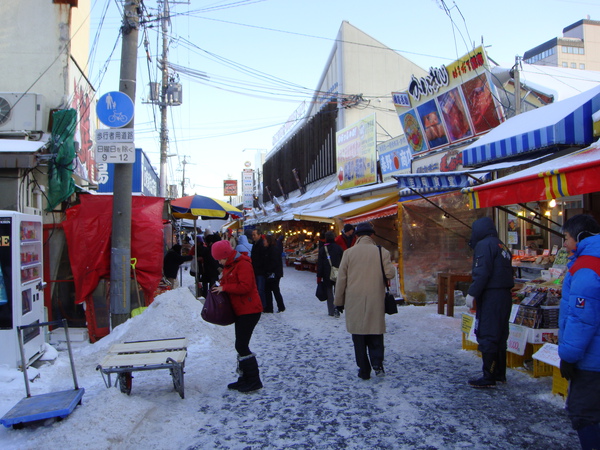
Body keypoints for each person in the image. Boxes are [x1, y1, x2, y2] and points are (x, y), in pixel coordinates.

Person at [558, 214, 600, 449]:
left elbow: (581, 318)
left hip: (592, 360)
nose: (564, 244)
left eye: (566, 238)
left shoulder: (587, 266)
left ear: (580, 236)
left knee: (584, 414)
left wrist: (569, 356)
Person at [334, 222, 395, 380]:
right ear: (372, 235)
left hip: (354, 299)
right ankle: (377, 363)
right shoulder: (382, 252)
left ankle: (363, 369)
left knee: (359, 336)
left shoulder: (348, 253)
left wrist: (338, 301)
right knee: (375, 331)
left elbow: (341, 280)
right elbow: (390, 274)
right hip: (376, 297)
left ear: (356, 236)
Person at [465, 216, 514, 388]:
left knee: (488, 334)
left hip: (491, 296)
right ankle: (500, 373)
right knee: (500, 335)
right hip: (505, 296)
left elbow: (482, 272)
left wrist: (472, 293)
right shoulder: (501, 244)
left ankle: (489, 376)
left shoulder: (484, 245)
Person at [210, 240, 264, 393]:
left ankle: (254, 380)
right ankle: (245, 378)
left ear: (226, 255)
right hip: (240, 310)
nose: (219, 261)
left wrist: (224, 287)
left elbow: (246, 286)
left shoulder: (243, 264)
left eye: (220, 258)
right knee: (240, 345)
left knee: (241, 345)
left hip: (250, 309)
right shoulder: (230, 265)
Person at [317, 231, 343, 317]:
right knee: (338, 291)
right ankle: (338, 308)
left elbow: (320, 264)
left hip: (326, 274)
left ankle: (331, 310)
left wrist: (319, 276)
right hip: (338, 273)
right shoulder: (339, 248)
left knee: (329, 292)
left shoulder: (322, 250)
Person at [264, 234, 286, 313]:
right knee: (272, 290)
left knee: (274, 290)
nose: (264, 242)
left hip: (274, 273)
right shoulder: (270, 248)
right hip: (274, 273)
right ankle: (277, 307)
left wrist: (268, 270)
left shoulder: (273, 249)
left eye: (265, 241)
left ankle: (278, 307)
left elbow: (274, 262)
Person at [251, 228, 268, 310]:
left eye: (254, 235)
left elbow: (263, 259)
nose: (253, 236)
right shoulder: (255, 243)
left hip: (260, 270)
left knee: (261, 289)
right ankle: (259, 305)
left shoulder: (261, 244)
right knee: (257, 289)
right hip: (256, 270)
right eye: (252, 235)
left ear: (259, 235)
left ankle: (263, 306)